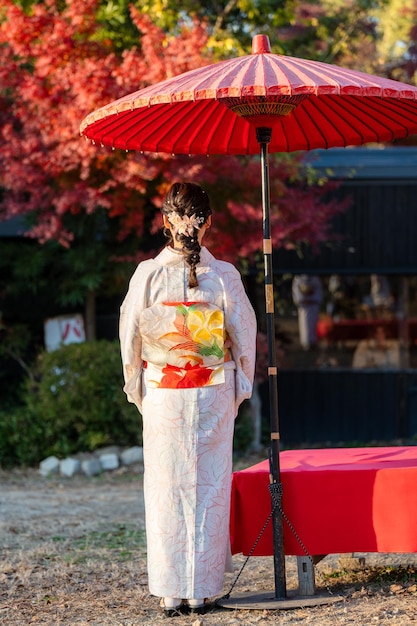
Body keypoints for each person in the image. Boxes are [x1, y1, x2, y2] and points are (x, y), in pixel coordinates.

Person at [119, 182, 257, 616]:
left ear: (166, 222)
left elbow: (130, 341)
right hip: (213, 390)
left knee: (166, 487)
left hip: (164, 392)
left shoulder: (147, 274)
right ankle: (201, 590)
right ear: (208, 223)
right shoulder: (225, 276)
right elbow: (245, 338)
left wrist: (138, 389)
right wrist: (239, 386)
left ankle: (169, 591)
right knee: (210, 485)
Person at [292, 274, 323, 350]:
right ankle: (305, 343)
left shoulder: (315, 278)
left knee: (314, 324)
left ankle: (313, 342)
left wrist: (313, 299)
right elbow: (296, 291)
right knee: (304, 324)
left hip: (313, 305)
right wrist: (302, 300)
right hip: (304, 306)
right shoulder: (298, 278)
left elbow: (318, 290)